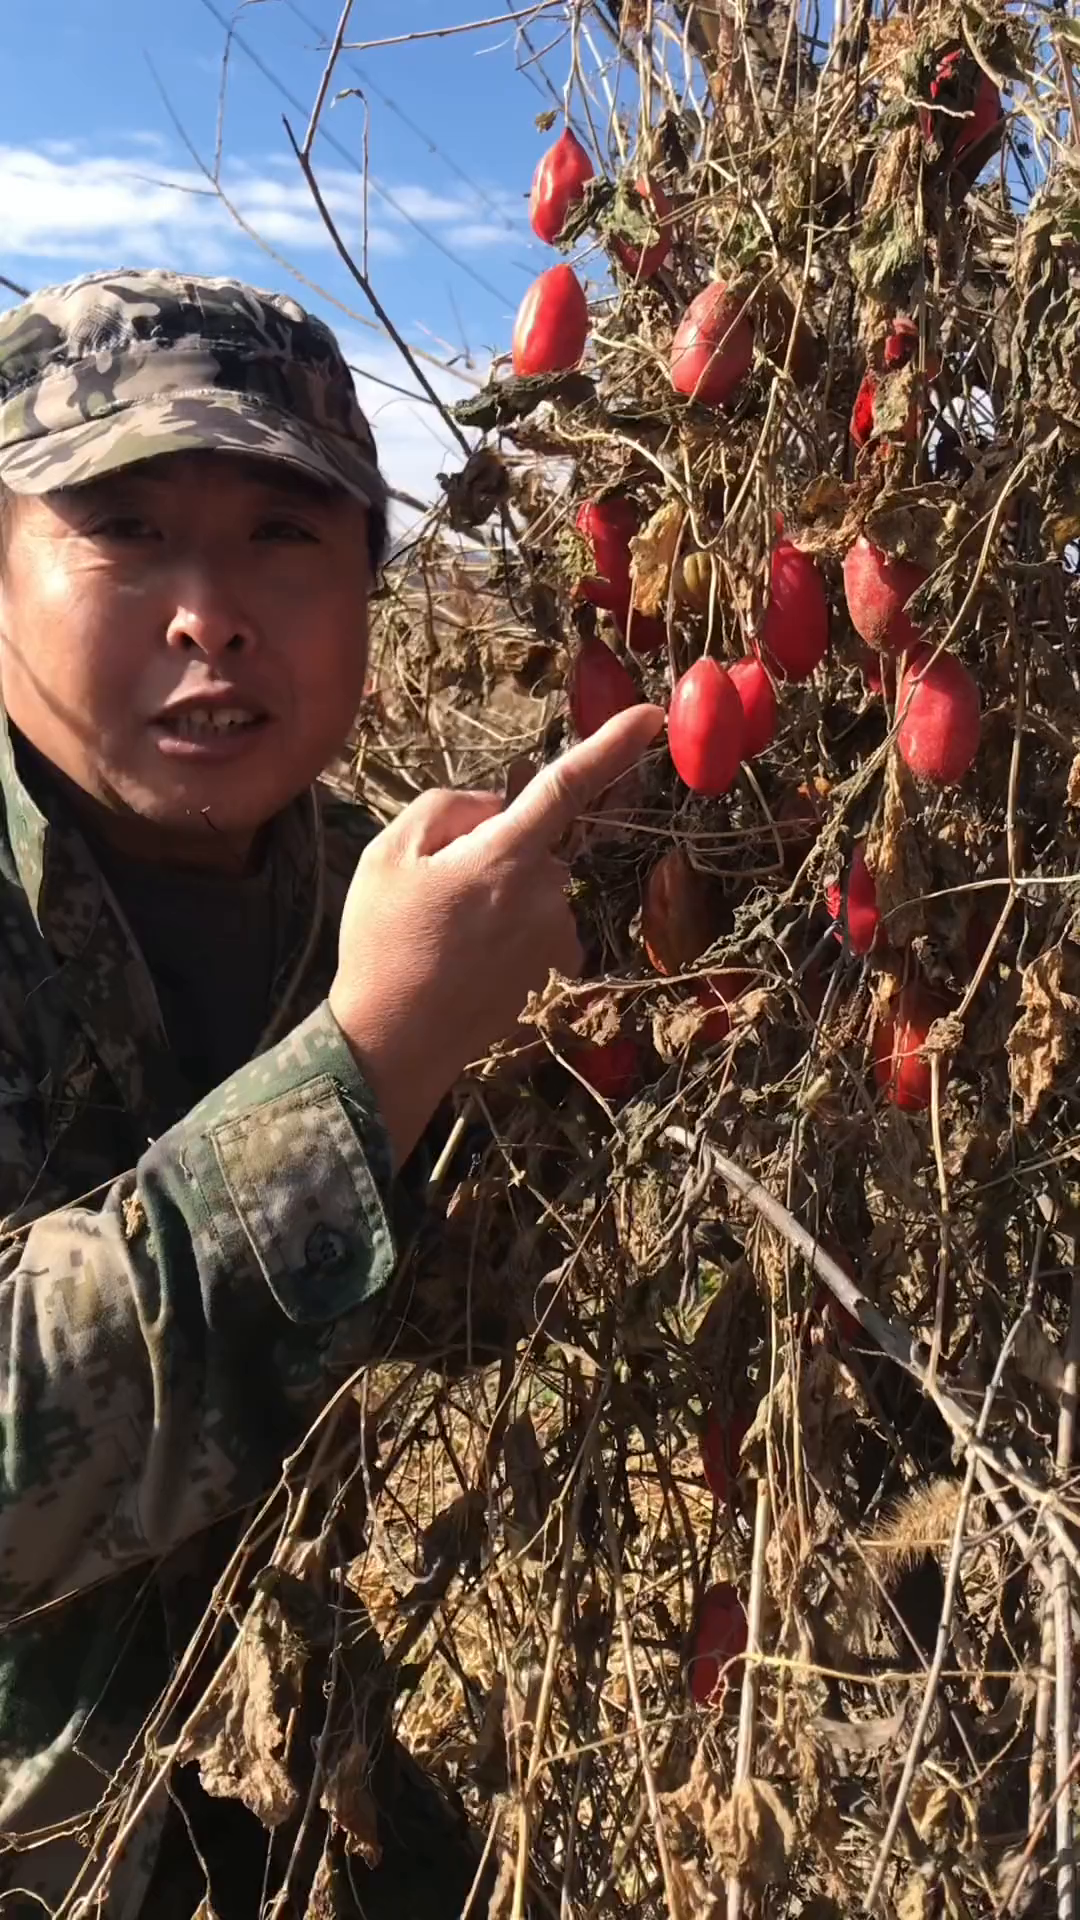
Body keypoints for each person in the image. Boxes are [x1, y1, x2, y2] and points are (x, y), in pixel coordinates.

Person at [0, 269, 662, 1918]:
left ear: (372, 584)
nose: (209, 610)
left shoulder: (372, 881)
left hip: (259, 1760)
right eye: (125, 530)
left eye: (287, 536)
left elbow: (465, 1294)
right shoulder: (386, 962)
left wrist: (655, 993)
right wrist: (373, 1060)